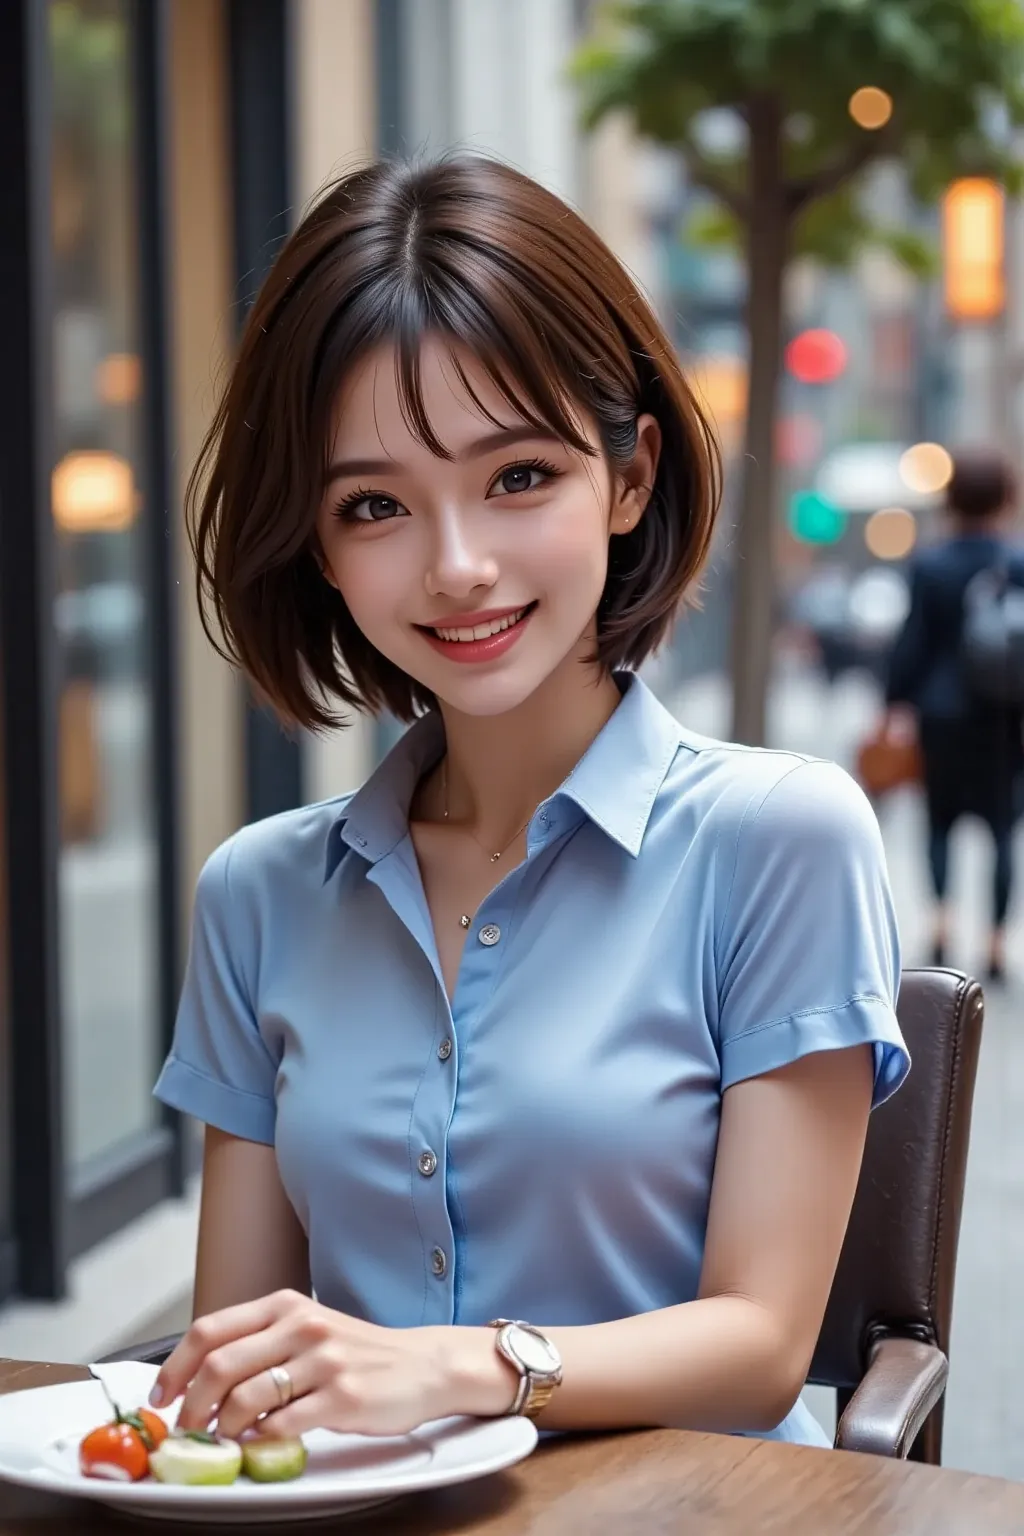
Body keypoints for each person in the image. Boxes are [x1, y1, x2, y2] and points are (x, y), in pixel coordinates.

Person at [148, 156, 909, 1449]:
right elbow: (241, 1366)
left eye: (518, 478)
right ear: (320, 548)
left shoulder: (780, 839)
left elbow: (762, 1346)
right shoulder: (258, 895)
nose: (458, 568)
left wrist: (461, 1367)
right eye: (375, 504)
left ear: (627, 479)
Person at [885, 449, 1024, 981]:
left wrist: (896, 704)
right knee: (1003, 828)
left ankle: (941, 929)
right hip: (1003, 717)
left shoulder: (931, 565)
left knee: (938, 824)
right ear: (1006, 499)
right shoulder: (1015, 563)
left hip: (940, 714)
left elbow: (911, 644)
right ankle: (994, 945)